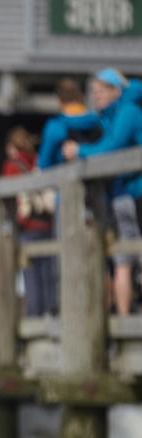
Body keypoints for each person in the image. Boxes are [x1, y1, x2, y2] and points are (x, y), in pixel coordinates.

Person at [64, 68, 142, 316]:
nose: (95, 96)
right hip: (123, 194)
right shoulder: (110, 115)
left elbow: (114, 147)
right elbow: (79, 122)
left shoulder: (128, 112)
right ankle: (123, 317)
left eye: (100, 91)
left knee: (129, 255)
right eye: (93, 92)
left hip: (136, 193)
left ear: (116, 91)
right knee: (122, 258)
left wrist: (80, 152)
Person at [3, 127, 57, 316]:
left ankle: (34, 316)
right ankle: (51, 314)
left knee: (31, 276)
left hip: (28, 226)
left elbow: (8, 197)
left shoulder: (12, 166)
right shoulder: (38, 163)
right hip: (47, 223)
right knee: (48, 275)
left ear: (12, 147)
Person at [38, 78, 102, 170]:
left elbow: (44, 162)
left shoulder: (56, 125)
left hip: (66, 181)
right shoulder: (98, 121)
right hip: (98, 176)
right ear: (81, 97)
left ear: (59, 101)